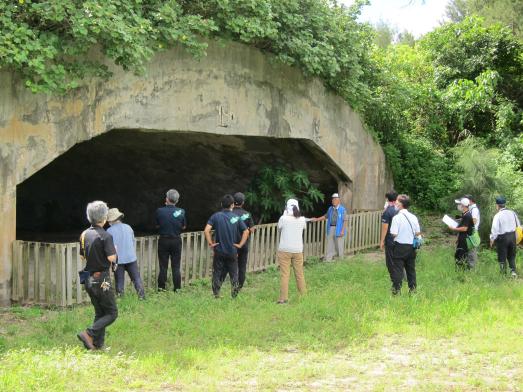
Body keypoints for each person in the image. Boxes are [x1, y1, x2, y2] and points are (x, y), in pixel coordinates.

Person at [77, 201, 118, 350]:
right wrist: (114, 250)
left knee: (100, 311)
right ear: (104, 217)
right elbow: (111, 258)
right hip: (102, 279)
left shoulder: (84, 234)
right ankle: (88, 333)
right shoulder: (105, 236)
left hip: (87, 277)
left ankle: (97, 344)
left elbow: (82, 257)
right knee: (112, 312)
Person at [204, 194, 249, 298]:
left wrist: (211, 243)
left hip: (219, 250)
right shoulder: (236, 218)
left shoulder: (216, 216)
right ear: (232, 205)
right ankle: (234, 295)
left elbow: (206, 230)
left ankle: (216, 294)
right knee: (234, 273)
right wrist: (240, 245)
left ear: (221, 204)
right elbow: (246, 231)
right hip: (232, 250)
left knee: (217, 272)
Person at [107, 208, 145, 299]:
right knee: (136, 279)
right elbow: (132, 241)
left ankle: (120, 299)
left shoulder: (109, 231)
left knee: (119, 281)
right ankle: (142, 297)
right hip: (131, 258)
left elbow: (108, 247)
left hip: (117, 260)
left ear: (111, 220)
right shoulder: (128, 227)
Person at [220, 192, 255, 290]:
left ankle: (218, 286)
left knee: (226, 266)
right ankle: (238, 288)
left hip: (230, 244)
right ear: (243, 202)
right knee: (242, 266)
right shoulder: (247, 214)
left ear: (232, 202)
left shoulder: (228, 214)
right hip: (243, 244)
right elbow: (252, 229)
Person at [276, 199, 308, 304]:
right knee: (299, 273)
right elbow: (304, 228)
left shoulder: (283, 218)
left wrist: (285, 213)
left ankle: (283, 299)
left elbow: (279, 227)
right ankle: (303, 296)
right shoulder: (302, 219)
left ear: (286, 207)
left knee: (285, 274)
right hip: (298, 250)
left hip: (284, 250)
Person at [389, 194, 421, 295]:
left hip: (399, 247)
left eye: (397, 201)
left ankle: (396, 292)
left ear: (401, 204)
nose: (396, 202)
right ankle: (413, 291)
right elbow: (417, 233)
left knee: (398, 270)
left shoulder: (396, 218)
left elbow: (394, 234)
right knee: (411, 270)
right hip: (411, 247)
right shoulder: (413, 217)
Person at [156, 189, 186, 292]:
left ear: (167, 199)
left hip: (163, 240)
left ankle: (161, 289)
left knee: (163, 266)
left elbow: (157, 225)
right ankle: (177, 289)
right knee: (176, 266)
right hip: (176, 240)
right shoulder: (181, 211)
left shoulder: (159, 211)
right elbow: (184, 226)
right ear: (177, 200)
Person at [490, 196, 521, 277]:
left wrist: (492, 239)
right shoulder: (512, 213)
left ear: (497, 205)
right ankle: (513, 272)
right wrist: (517, 238)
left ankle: (503, 274)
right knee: (511, 255)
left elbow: (494, 229)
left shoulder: (498, 215)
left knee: (502, 256)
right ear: (504, 204)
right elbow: (519, 225)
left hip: (502, 238)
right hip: (512, 236)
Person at [312, 193, 349, 261]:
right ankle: (328, 259)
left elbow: (345, 220)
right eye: (332, 200)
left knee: (339, 244)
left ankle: (340, 259)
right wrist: (317, 219)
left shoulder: (342, 209)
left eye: (335, 200)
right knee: (330, 243)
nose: (333, 201)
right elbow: (326, 216)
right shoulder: (330, 209)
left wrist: (343, 230)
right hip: (331, 228)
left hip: (339, 229)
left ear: (338, 201)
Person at [448, 198, 474, 269]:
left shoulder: (467, 215)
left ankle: (461, 271)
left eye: (459, 204)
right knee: (458, 254)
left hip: (465, 239)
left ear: (463, 205)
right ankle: (460, 270)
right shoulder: (464, 214)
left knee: (461, 255)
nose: (458, 206)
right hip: (462, 238)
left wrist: (454, 228)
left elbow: (465, 228)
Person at [380, 191, 398, 287]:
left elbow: (385, 228)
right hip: (400, 239)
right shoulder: (399, 210)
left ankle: (394, 280)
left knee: (390, 261)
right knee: (399, 259)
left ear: (387, 199)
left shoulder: (388, 211)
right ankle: (402, 277)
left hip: (390, 239)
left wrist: (382, 241)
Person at [464, 194, 480, 268]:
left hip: (472, 233)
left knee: (471, 252)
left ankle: (472, 270)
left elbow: (474, 221)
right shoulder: (471, 209)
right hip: (469, 232)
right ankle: (468, 268)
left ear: (470, 201)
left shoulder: (474, 210)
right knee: (468, 251)